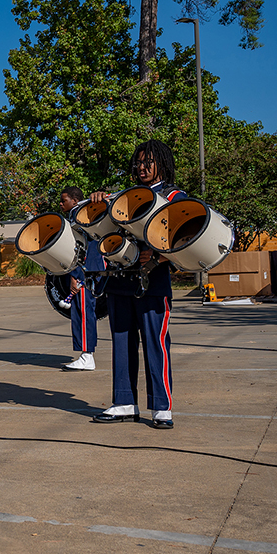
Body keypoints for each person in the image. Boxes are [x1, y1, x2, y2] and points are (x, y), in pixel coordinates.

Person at [89, 141, 184, 429]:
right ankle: (124, 402)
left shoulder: (174, 196)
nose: (142, 167)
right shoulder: (122, 197)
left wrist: (157, 254)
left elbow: (187, 234)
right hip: (120, 280)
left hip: (152, 281)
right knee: (121, 342)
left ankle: (161, 407)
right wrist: (98, 203)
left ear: (163, 164)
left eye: (149, 162)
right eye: (139, 162)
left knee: (155, 343)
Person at [59, 186, 106, 371]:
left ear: (75, 201)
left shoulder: (80, 215)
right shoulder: (77, 216)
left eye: (64, 200)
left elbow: (80, 248)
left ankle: (87, 356)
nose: (61, 204)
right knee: (81, 311)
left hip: (87, 271)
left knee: (85, 312)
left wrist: (76, 275)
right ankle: (85, 354)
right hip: (88, 269)